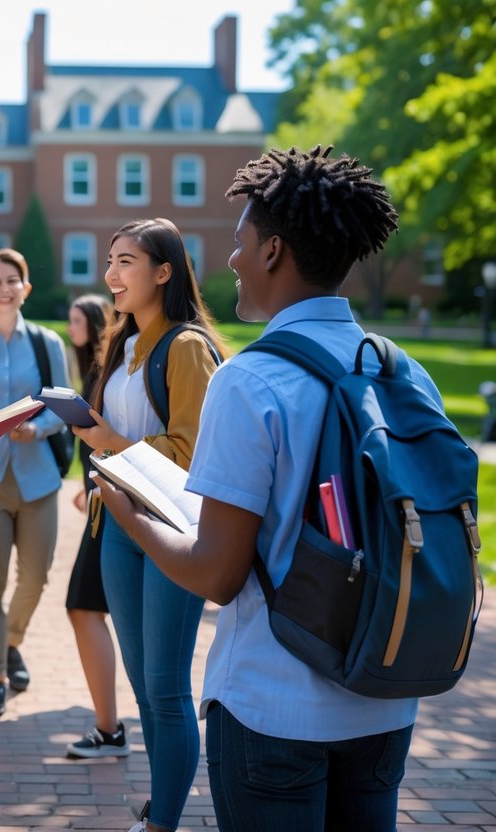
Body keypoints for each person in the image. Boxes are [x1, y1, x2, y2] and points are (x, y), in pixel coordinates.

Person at [95, 146, 424, 831]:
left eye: (240, 243)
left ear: (273, 251)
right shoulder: (401, 371)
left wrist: (129, 517)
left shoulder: (248, 381)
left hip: (274, 704)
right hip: (387, 693)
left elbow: (215, 573)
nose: (231, 260)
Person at [70, 217, 224, 832]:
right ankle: (163, 804)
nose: (111, 274)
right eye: (110, 260)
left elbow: (196, 450)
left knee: (166, 685)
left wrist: (113, 441)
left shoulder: (186, 346)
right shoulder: (122, 345)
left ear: (164, 272)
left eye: (126, 261)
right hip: (117, 525)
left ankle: (164, 819)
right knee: (141, 683)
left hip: (171, 529)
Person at [0, 248, 68, 718]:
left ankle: (11, 642)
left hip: (39, 478)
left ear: (25, 288)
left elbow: (62, 405)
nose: (4, 288)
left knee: (36, 577)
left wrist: (38, 427)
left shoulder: (48, 343)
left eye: (13, 280)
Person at [62, 292, 129, 759]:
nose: (71, 328)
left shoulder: (124, 362)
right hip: (105, 499)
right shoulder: (105, 366)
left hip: (125, 504)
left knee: (87, 608)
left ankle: (110, 729)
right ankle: (109, 727)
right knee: (85, 607)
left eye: (76, 320)